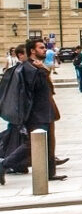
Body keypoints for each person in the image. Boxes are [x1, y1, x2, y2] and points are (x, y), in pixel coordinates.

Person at [0, 39, 66, 184]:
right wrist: (42, 70)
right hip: (36, 113)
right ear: (32, 51)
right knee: (32, 144)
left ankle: (50, 173)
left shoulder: (36, 66)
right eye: (41, 48)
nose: (45, 50)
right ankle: (3, 165)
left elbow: (50, 89)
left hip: (46, 111)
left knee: (49, 143)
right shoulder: (29, 68)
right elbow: (35, 88)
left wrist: (43, 69)